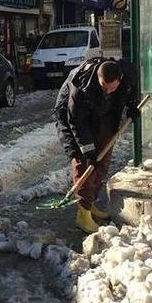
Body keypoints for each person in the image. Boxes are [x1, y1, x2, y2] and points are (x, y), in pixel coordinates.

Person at [54, 57, 138, 233]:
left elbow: (132, 90)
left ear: (120, 79)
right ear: (98, 79)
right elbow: (76, 123)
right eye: (104, 87)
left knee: (102, 160)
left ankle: (90, 202)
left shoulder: (127, 74)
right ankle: (82, 214)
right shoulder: (81, 86)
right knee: (83, 163)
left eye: (112, 88)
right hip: (73, 119)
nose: (108, 91)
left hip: (104, 113)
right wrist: (88, 151)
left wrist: (132, 105)